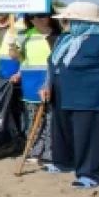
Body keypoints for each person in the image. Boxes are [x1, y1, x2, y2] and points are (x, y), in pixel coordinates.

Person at [41, 2, 99, 190]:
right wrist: (47, 85)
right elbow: (53, 66)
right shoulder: (64, 40)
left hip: (90, 98)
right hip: (62, 96)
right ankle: (63, 161)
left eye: (70, 20)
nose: (66, 24)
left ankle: (90, 174)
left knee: (88, 137)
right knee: (62, 133)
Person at [13, 11, 60, 163]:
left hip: (53, 80)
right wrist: (12, 45)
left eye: (42, 16)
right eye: (33, 17)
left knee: (52, 118)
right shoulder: (25, 35)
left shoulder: (59, 36)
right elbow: (20, 58)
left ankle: (51, 151)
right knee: (33, 118)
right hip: (30, 81)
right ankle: (34, 150)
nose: (37, 20)